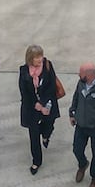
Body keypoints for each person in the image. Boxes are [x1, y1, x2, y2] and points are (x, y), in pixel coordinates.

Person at [19, 45, 60, 175]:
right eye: (37, 57)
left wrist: (42, 103)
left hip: (47, 102)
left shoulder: (48, 66)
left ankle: (46, 135)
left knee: (49, 123)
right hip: (31, 107)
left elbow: (52, 85)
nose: (40, 59)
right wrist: (36, 104)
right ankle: (37, 161)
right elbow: (24, 91)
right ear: (30, 58)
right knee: (33, 135)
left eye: (41, 56)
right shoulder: (24, 70)